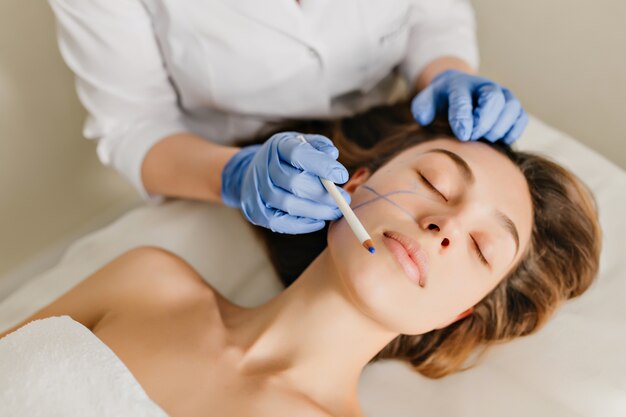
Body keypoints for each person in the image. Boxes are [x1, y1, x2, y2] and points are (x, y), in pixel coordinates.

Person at [0, 104, 600, 417]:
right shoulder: (146, 281)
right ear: (353, 181)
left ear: (460, 313)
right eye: (434, 181)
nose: (445, 226)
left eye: (479, 249)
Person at [48, 0, 529, 234]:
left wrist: (444, 72)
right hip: (220, 162)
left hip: (389, 128)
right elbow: (132, 125)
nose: (442, 231)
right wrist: (236, 175)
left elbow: (432, 14)